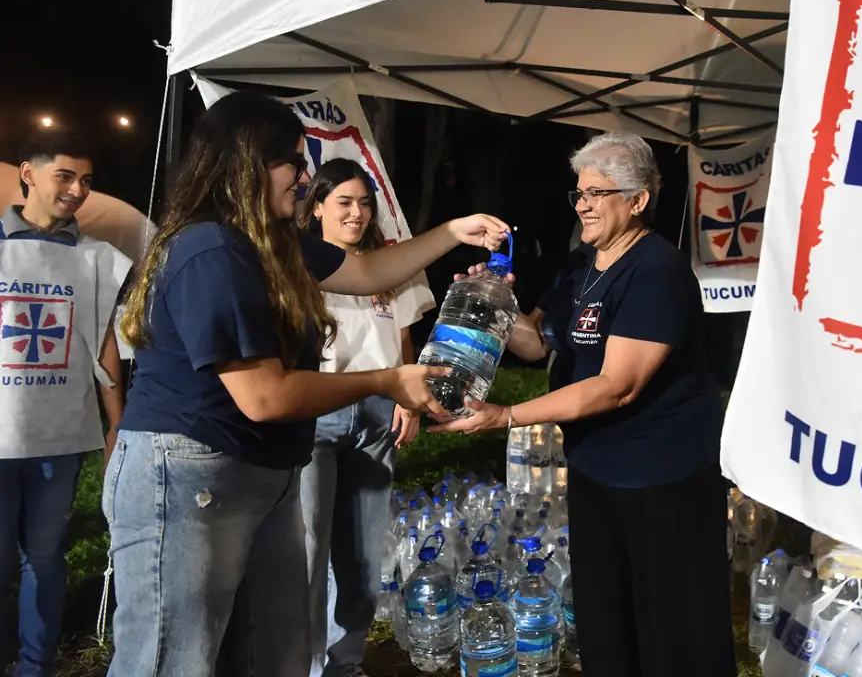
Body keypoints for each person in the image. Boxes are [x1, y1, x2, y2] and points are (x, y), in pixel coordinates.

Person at [104, 91, 508, 677]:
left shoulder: (272, 242)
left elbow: (368, 271)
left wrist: (451, 231)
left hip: (261, 472)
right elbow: (264, 396)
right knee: (175, 659)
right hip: (189, 474)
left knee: (277, 651)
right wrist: (387, 379)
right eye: (294, 161)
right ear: (247, 162)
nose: (304, 176)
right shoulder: (211, 250)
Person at [432, 131, 736, 677]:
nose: (583, 205)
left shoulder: (656, 272)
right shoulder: (581, 264)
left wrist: (508, 416)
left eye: (597, 193)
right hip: (598, 469)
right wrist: (494, 302)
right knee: (605, 616)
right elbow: (539, 340)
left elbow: (618, 384)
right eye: (579, 194)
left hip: (662, 477)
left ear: (638, 200)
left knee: (675, 626)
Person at [296, 158, 435, 677]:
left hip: (378, 417)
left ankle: (345, 662)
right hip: (315, 415)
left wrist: (408, 401)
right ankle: (305, 665)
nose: (356, 214)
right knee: (309, 550)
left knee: (362, 553)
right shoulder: (299, 265)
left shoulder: (390, 265)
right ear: (317, 209)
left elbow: (403, 342)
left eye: (364, 203)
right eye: (344, 202)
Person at [0, 129, 131, 677]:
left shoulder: (99, 257)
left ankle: (36, 662)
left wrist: (116, 427)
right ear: (29, 174)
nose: (78, 190)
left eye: (87, 181)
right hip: (3, 434)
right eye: (66, 177)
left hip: (61, 434)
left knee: (45, 554)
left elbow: (106, 344)